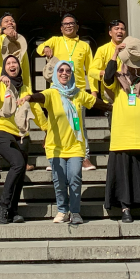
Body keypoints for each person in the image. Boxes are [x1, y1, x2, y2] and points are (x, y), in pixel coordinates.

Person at [98, 37, 140, 223]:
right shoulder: (118, 81)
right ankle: (125, 208)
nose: (134, 67)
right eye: (131, 63)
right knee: (124, 174)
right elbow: (107, 77)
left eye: (138, 63)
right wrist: (115, 55)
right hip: (123, 135)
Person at [20, 60, 96, 224]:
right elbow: (40, 97)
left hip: (75, 145)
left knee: (74, 177)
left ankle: (75, 212)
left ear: (71, 74)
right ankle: (62, 210)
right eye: (60, 70)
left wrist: (114, 107)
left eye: (67, 70)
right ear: (55, 73)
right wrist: (30, 97)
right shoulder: (51, 92)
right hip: (55, 147)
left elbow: (96, 103)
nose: (64, 73)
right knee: (59, 179)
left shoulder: (78, 93)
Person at [0, 54, 46, 224]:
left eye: (15, 63)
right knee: (18, 163)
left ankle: (13, 210)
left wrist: (47, 129)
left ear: (19, 67)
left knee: (20, 172)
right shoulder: (0, 84)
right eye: (9, 63)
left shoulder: (25, 87)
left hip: (21, 134)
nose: (12, 65)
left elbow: (36, 109)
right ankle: (3, 205)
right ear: (5, 67)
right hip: (0, 129)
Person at [0, 13, 44, 174]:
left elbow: (24, 68)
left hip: (20, 88)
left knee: (21, 120)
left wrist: (28, 89)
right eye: (6, 21)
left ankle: (21, 160)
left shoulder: (21, 41)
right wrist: (2, 31)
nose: (10, 22)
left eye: (12, 20)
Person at [37, 14, 96, 170]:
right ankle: (55, 155)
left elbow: (91, 70)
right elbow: (38, 49)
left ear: (77, 26)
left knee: (79, 125)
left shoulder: (84, 46)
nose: (69, 26)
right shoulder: (56, 40)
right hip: (57, 91)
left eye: (72, 23)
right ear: (61, 28)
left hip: (77, 91)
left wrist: (94, 91)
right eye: (66, 24)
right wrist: (45, 48)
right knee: (55, 123)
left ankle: (84, 157)